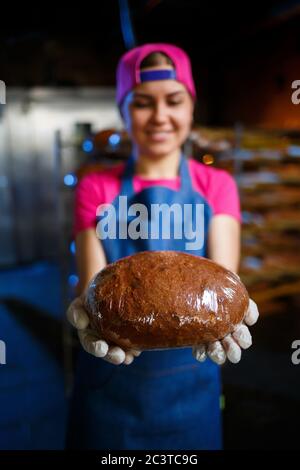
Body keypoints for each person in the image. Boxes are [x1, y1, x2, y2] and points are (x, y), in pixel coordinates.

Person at [66, 43, 259, 450]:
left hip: (193, 379)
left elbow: (225, 284)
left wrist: (234, 311)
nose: (160, 117)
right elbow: (91, 285)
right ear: (123, 111)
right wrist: (87, 308)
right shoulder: (94, 187)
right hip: (110, 378)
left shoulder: (216, 186)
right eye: (142, 103)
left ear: (191, 108)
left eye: (174, 101)